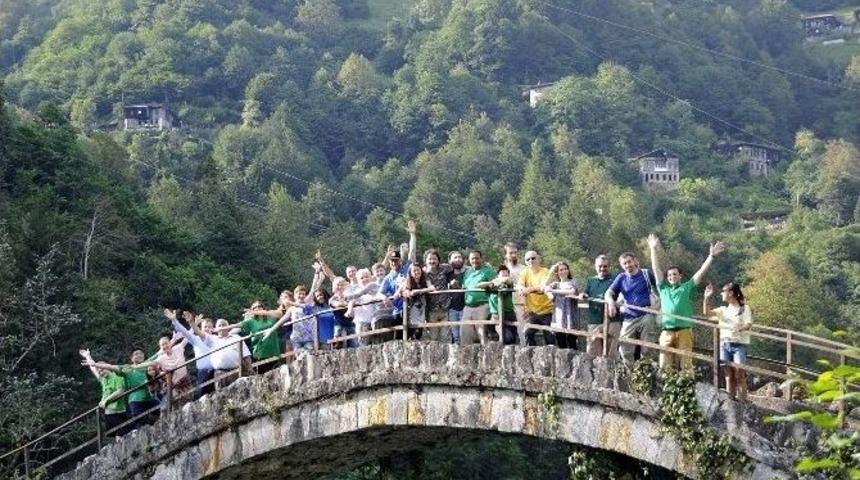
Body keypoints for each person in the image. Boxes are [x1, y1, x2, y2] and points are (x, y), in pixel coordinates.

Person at [648, 234, 725, 370]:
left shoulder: (686, 287)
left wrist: (711, 256)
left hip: (684, 330)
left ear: (680, 276)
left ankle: (686, 388)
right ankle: (666, 389)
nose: (672, 276)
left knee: (686, 364)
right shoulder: (663, 288)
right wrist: (653, 249)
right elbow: (656, 269)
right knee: (664, 365)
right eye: (670, 275)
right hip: (667, 330)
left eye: (675, 274)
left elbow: (700, 272)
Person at [604, 252, 658, 363]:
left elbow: (661, 289)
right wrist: (611, 303)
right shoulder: (621, 278)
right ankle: (630, 374)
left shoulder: (646, 274)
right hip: (629, 317)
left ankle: (645, 373)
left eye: (629, 262)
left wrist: (656, 307)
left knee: (648, 348)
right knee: (624, 348)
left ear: (635, 261)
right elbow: (608, 292)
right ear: (622, 266)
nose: (628, 265)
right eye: (624, 263)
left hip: (646, 315)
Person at [705, 282, 752, 401]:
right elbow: (707, 313)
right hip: (724, 344)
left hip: (739, 345)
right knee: (728, 375)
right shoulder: (723, 310)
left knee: (739, 374)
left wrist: (739, 329)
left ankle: (742, 402)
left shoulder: (744, 308)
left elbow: (748, 324)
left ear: (730, 293)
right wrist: (706, 298)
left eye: (723, 292)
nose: (721, 294)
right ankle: (730, 402)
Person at [167, 310, 214, 399]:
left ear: (213, 328)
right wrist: (175, 321)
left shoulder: (216, 338)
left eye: (210, 327)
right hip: (203, 372)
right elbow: (185, 332)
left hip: (216, 369)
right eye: (205, 327)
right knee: (203, 396)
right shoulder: (196, 339)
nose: (207, 329)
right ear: (201, 328)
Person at [79, 349, 128, 435]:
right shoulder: (103, 379)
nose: (100, 372)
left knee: (123, 433)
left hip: (120, 411)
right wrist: (87, 356)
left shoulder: (117, 377)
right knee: (115, 435)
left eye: (102, 369)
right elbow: (93, 368)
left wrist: (106, 400)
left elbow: (120, 391)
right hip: (109, 412)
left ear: (107, 367)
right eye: (99, 371)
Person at [584, 255, 620, 357]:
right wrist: (584, 295)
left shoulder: (615, 279)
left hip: (613, 320)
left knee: (611, 352)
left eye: (605, 266)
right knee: (592, 351)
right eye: (600, 266)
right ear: (595, 267)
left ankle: (612, 373)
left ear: (609, 267)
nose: (602, 269)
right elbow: (586, 293)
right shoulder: (591, 280)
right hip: (594, 320)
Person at [518, 251, 554, 346]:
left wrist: (528, 289)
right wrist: (522, 289)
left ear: (539, 259)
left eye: (533, 258)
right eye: (528, 259)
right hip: (533, 312)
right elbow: (519, 285)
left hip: (547, 311)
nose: (531, 261)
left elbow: (542, 287)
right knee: (527, 333)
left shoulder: (545, 272)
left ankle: (551, 356)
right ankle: (532, 355)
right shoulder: (525, 272)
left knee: (549, 336)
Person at [460, 250, 496, 345]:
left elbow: (495, 284)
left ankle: (486, 355)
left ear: (481, 259)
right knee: (465, 333)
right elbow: (464, 286)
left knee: (482, 332)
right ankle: (466, 356)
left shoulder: (488, 271)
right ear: (469, 260)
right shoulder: (468, 272)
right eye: (472, 258)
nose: (475, 260)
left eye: (477, 258)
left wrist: (487, 284)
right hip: (468, 306)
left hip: (482, 305)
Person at [544, 261, 580, 350]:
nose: (564, 271)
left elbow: (571, 291)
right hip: (559, 317)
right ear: (557, 272)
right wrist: (550, 274)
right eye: (561, 270)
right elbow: (544, 288)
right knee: (561, 343)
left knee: (572, 343)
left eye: (565, 269)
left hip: (570, 316)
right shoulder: (556, 284)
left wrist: (553, 291)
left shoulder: (573, 282)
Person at [477, 265, 517, 344]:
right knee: (507, 337)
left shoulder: (509, 283)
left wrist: (503, 280)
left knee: (513, 336)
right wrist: (492, 283)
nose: (504, 276)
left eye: (506, 274)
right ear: (498, 275)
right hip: (496, 315)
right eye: (502, 274)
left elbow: (509, 281)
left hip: (510, 313)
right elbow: (479, 285)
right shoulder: (491, 284)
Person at [423, 249, 453, 342]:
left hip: (445, 308)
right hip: (431, 310)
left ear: (438, 260)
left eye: (434, 259)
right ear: (426, 261)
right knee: (433, 337)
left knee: (445, 337)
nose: (432, 261)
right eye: (430, 259)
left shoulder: (444, 269)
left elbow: (455, 266)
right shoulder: (423, 274)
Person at [399, 263, 436, 340]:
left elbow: (432, 288)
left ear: (421, 270)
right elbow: (405, 292)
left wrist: (418, 291)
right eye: (414, 271)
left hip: (421, 310)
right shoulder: (408, 281)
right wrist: (407, 292)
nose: (416, 272)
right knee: (410, 334)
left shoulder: (425, 279)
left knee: (419, 333)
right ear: (411, 273)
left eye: (418, 270)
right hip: (410, 313)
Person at [503, 243, 527, 346]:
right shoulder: (502, 270)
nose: (513, 255)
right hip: (506, 306)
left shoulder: (524, 269)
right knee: (509, 334)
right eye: (510, 253)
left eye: (515, 252)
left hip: (521, 304)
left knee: (523, 332)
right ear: (505, 255)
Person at [330, 277, 357, 349]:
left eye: (342, 285)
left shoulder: (347, 297)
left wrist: (350, 303)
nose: (340, 287)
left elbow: (354, 301)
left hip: (349, 324)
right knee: (338, 346)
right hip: (339, 324)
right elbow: (337, 304)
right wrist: (349, 305)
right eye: (338, 285)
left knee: (354, 345)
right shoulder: (332, 299)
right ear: (334, 287)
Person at [446, 250, 467, 344]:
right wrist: (450, 285)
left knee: (464, 335)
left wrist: (458, 286)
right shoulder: (447, 275)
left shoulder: (467, 273)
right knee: (455, 336)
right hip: (451, 308)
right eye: (455, 257)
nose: (458, 259)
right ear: (450, 261)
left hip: (465, 307)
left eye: (459, 257)